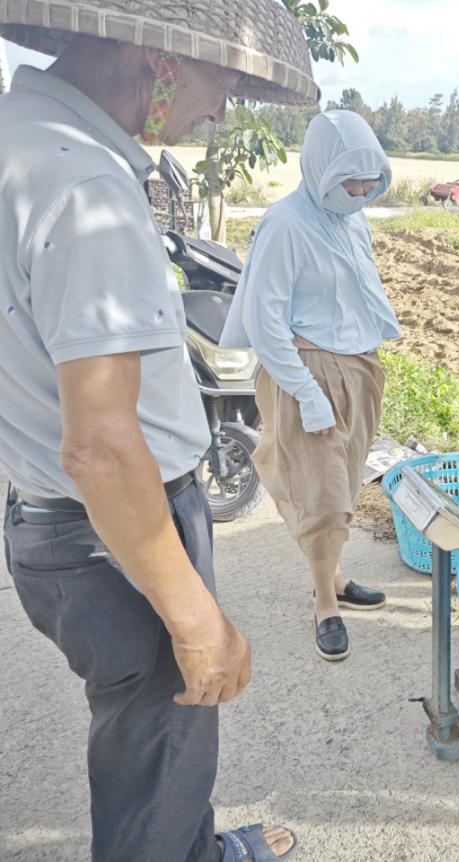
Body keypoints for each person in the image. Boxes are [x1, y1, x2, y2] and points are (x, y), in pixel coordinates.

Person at [0, 3, 317, 860]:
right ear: (159, 58)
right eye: (225, 79)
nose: (223, 109)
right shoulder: (88, 192)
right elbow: (102, 448)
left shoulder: (18, 137)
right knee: (163, 744)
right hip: (114, 528)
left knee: (141, 739)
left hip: (48, 515)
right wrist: (195, 617)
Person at [220, 110, 399, 663]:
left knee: (346, 483)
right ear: (321, 169)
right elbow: (265, 320)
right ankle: (325, 603)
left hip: (357, 367)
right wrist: (307, 393)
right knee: (322, 494)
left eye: (369, 183)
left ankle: (336, 577)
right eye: (350, 183)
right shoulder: (286, 225)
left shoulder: (353, 220)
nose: (361, 193)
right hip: (308, 370)